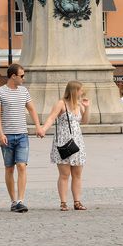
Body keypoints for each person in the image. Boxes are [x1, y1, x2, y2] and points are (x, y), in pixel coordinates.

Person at [0, 63, 44, 213]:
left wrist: (38, 127)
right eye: (21, 75)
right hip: (7, 135)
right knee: (9, 168)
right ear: (13, 76)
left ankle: (21, 200)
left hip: (22, 135)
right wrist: (0, 134)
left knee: (22, 166)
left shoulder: (24, 91)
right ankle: (13, 201)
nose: (23, 78)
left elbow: (32, 109)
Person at [41, 81, 90, 211]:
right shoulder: (61, 103)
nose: (82, 92)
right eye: (80, 90)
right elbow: (51, 118)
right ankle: (63, 202)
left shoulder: (79, 105)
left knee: (77, 174)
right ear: (74, 91)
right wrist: (43, 130)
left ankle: (77, 202)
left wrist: (87, 107)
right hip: (63, 142)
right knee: (64, 174)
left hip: (77, 142)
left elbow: (84, 121)